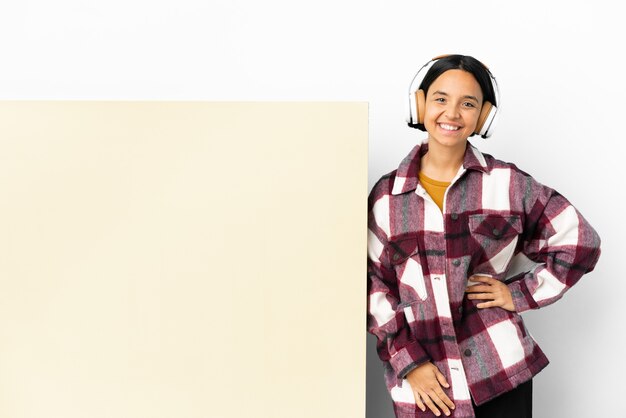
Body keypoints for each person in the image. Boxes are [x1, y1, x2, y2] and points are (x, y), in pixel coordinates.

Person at [366, 54, 601, 418]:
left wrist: (518, 293)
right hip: (427, 386)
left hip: (499, 374)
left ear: (483, 115)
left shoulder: (508, 184)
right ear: (421, 103)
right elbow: (373, 285)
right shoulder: (385, 197)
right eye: (441, 99)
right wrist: (408, 361)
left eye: (468, 103)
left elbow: (579, 242)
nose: (452, 113)